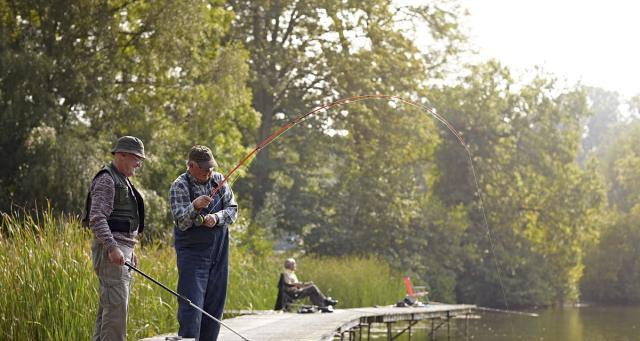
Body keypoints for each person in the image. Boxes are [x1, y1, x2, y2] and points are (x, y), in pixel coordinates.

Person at [169, 145, 238, 340]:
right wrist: (195, 206)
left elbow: (233, 210)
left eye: (211, 167)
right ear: (191, 165)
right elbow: (181, 221)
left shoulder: (218, 180)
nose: (210, 171)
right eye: (205, 168)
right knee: (192, 305)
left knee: (215, 306)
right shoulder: (179, 185)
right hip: (192, 255)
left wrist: (216, 218)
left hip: (219, 252)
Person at [83, 135, 146, 341]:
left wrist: (131, 250)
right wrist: (112, 247)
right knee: (116, 314)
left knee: (110, 310)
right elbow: (97, 218)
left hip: (121, 251)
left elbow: (123, 222)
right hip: (112, 252)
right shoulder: (107, 180)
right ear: (122, 155)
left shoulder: (123, 181)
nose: (139, 163)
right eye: (136, 158)